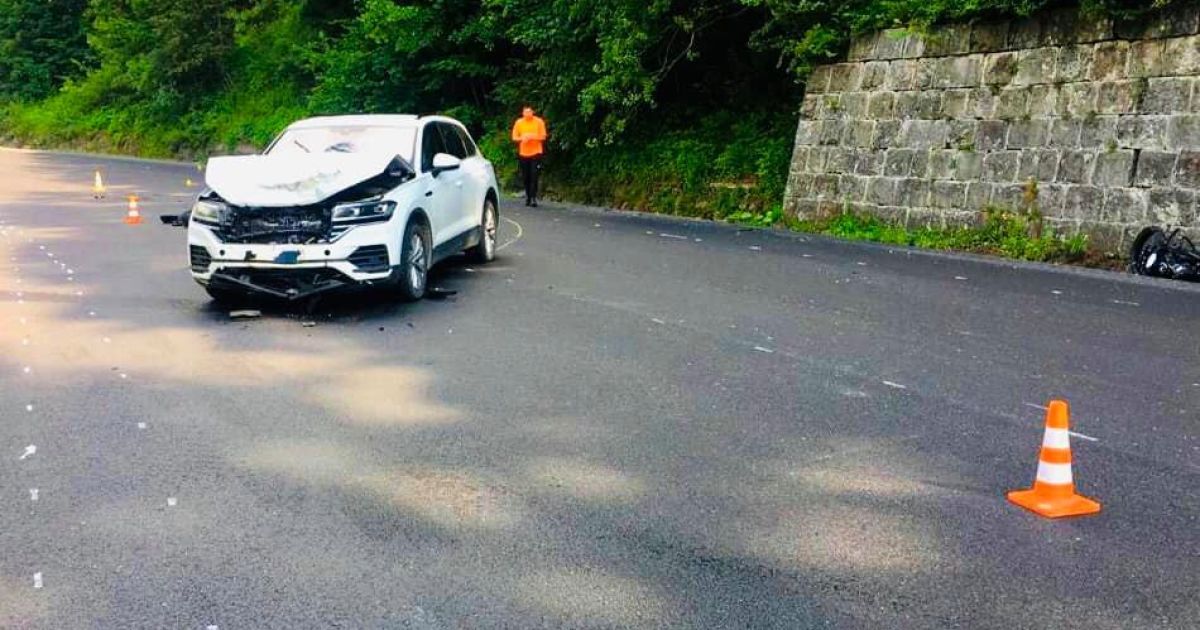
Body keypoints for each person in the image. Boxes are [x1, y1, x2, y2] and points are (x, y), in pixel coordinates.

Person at [511, 106, 547, 206]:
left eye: (529, 112)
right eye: (525, 112)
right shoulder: (519, 122)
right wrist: (522, 138)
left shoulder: (539, 122)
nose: (527, 114)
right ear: (522, 113)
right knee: (526, 176)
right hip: (524, 153)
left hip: (536, 152)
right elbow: (514, 137)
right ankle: (527, 195)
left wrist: (532, 137)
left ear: (532, 112)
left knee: (534, 175)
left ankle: (533, 198)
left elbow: (543, 136)